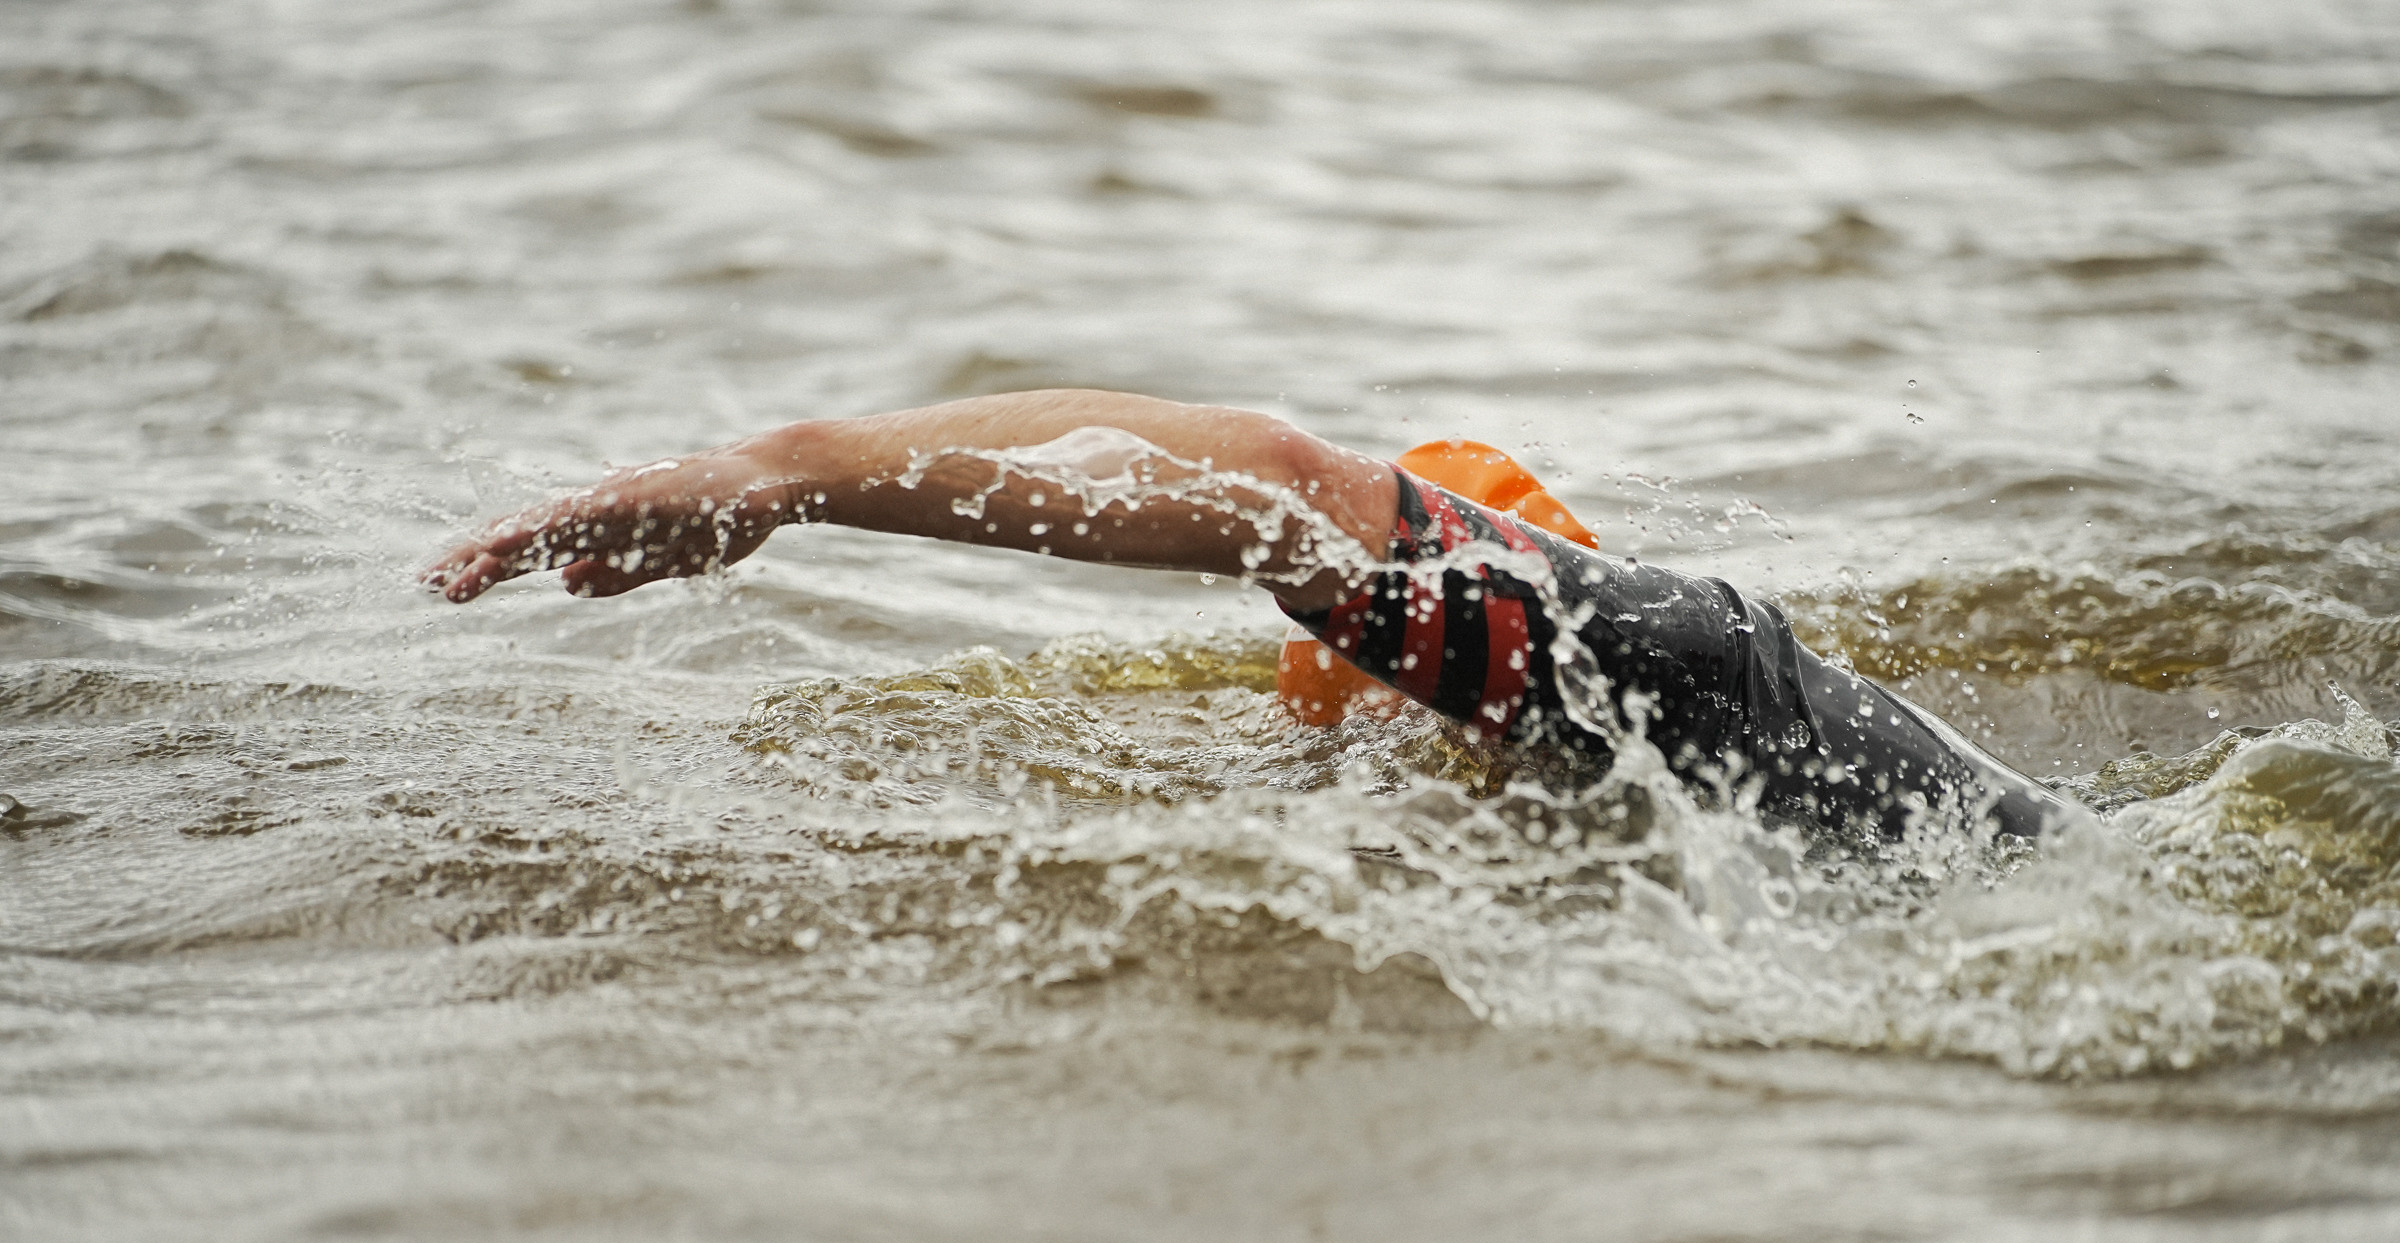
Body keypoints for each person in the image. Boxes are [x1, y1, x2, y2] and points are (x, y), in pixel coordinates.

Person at [424, 389, 2074, 839]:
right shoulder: (1678, 771)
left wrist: (788, 473)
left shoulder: (1691, 673)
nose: (1361, 716)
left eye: (1370, 689)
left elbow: (1284, 491)